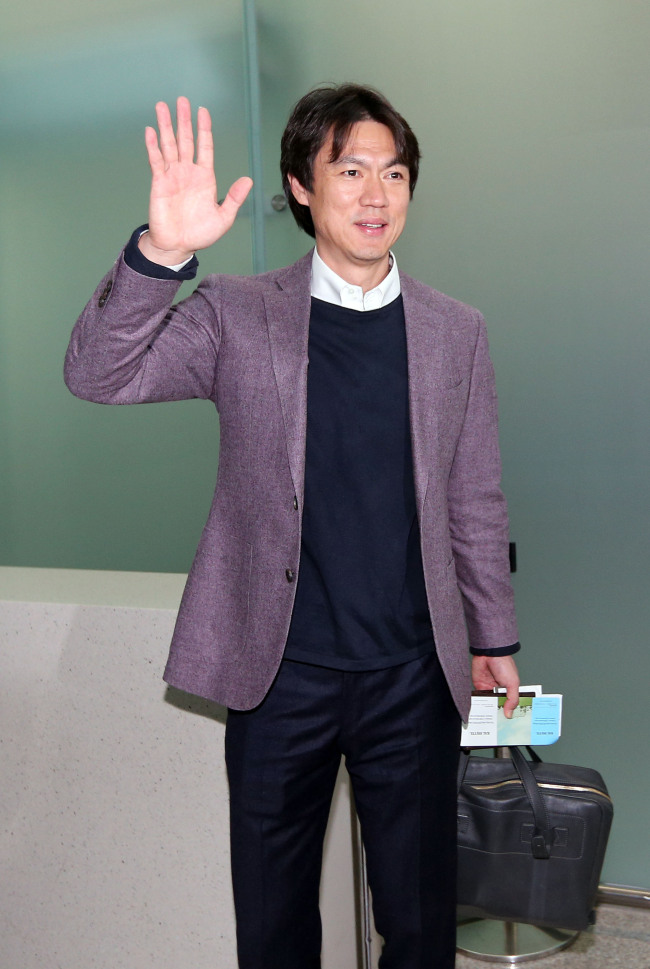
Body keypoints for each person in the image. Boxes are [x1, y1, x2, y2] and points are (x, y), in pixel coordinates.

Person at [65, 84, 521, 969]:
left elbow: (475, 493)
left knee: (422, 923)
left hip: (412, 675)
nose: (375, 194)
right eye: (348, 169)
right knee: (274, 926)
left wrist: (491, 629)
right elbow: (98, 373)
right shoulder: (240, 314)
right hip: (279, 676)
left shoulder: (454, 332)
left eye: (393, 171)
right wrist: (162, 252)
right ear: (301, 186)